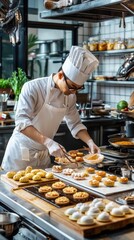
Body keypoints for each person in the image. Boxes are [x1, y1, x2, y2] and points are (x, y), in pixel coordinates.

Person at [2, 46, 100, 171]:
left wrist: (90, 142)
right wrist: (48, 142)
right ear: (60, 76)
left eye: (78, 88)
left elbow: (75, 124)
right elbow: (22, 122)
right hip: (21, 154)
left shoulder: (69, 97)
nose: (74, 92)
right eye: (72, 87)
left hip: (44, 154)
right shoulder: (33, 87)